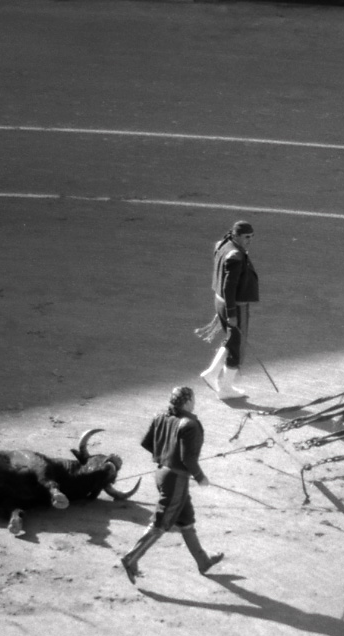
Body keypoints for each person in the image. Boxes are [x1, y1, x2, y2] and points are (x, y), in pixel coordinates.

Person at [120, 386, 223, 583]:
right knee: (161, 522)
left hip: (162, 474)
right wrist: (200, 477)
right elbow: (187, 458)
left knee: (186, 519)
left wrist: (165, 456)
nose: (194, 402)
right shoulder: (190, 424)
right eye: (193, 399)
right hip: (176, 480)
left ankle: (203, 562)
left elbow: (146, 443)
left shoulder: (160, 417)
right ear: (186, 402)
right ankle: (131, 557)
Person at [199, 220, 259, 400]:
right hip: (233, 305)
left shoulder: (224, 245)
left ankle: (211, 373)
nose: (250, 240)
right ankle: (225, 388)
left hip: (221, 302)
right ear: (236, 236)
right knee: (237, 348)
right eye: (246, 237)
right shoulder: (235, 256)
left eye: (252, 237)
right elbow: (229, 287)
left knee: (232, 340)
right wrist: (232, 313)